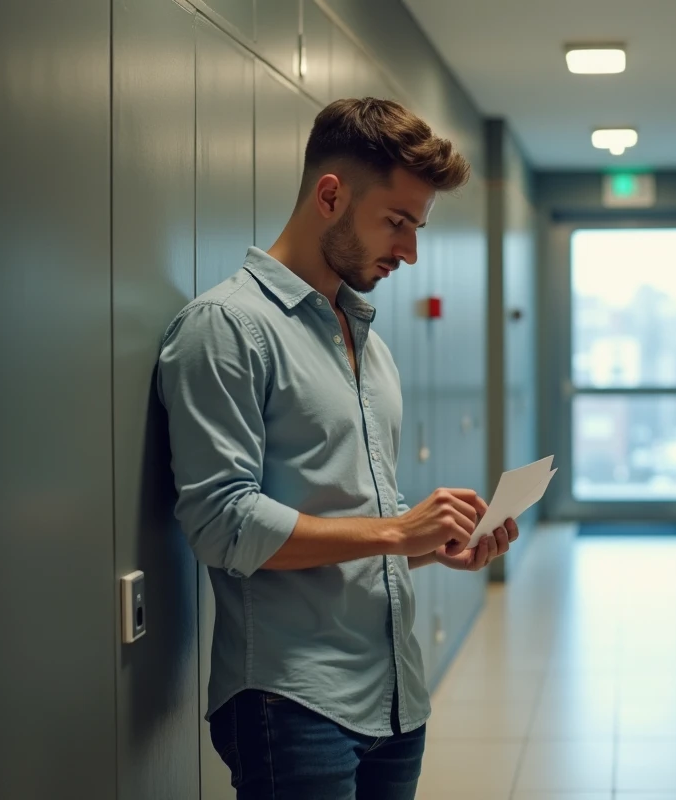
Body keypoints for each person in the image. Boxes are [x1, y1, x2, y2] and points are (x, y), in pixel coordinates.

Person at [156, 97, 516, 800]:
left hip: (394, 696)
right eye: (398, 221)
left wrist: (433, 542)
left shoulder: (371, 347)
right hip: (291, 703)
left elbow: (358, 519)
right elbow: (221, 522)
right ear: (330, 195)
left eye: (418, 226)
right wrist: (395, 529)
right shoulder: (226, 328)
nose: (410, 250)